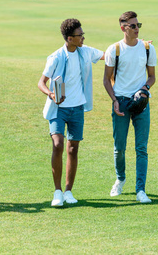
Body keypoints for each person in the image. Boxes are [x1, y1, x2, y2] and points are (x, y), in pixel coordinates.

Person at [38, 18, 105, 207]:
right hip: (58, 109)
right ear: (69, 38)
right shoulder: (56, 57)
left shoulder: (86, 52)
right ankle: (57, 191)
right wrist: (51, 94)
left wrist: (140, 45)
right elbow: (41, 82)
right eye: (80, 35)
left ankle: (68, 191)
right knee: (58, 144)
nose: (83, 38)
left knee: (73, 149)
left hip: (77, 108)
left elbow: (108, 55)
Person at [103, 11, 157, 203]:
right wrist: (114, 100)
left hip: (142, 102)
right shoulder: (114, 49)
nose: (136, 29)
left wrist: (144, 89)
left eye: (138, 25)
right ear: (123, 28)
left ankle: (141, 190)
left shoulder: (147, 48)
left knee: (141, 148)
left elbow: (152, 76)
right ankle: (120, 178)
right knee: (119, 147)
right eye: (132, 26)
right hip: (121, 102)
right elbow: (106, 80)